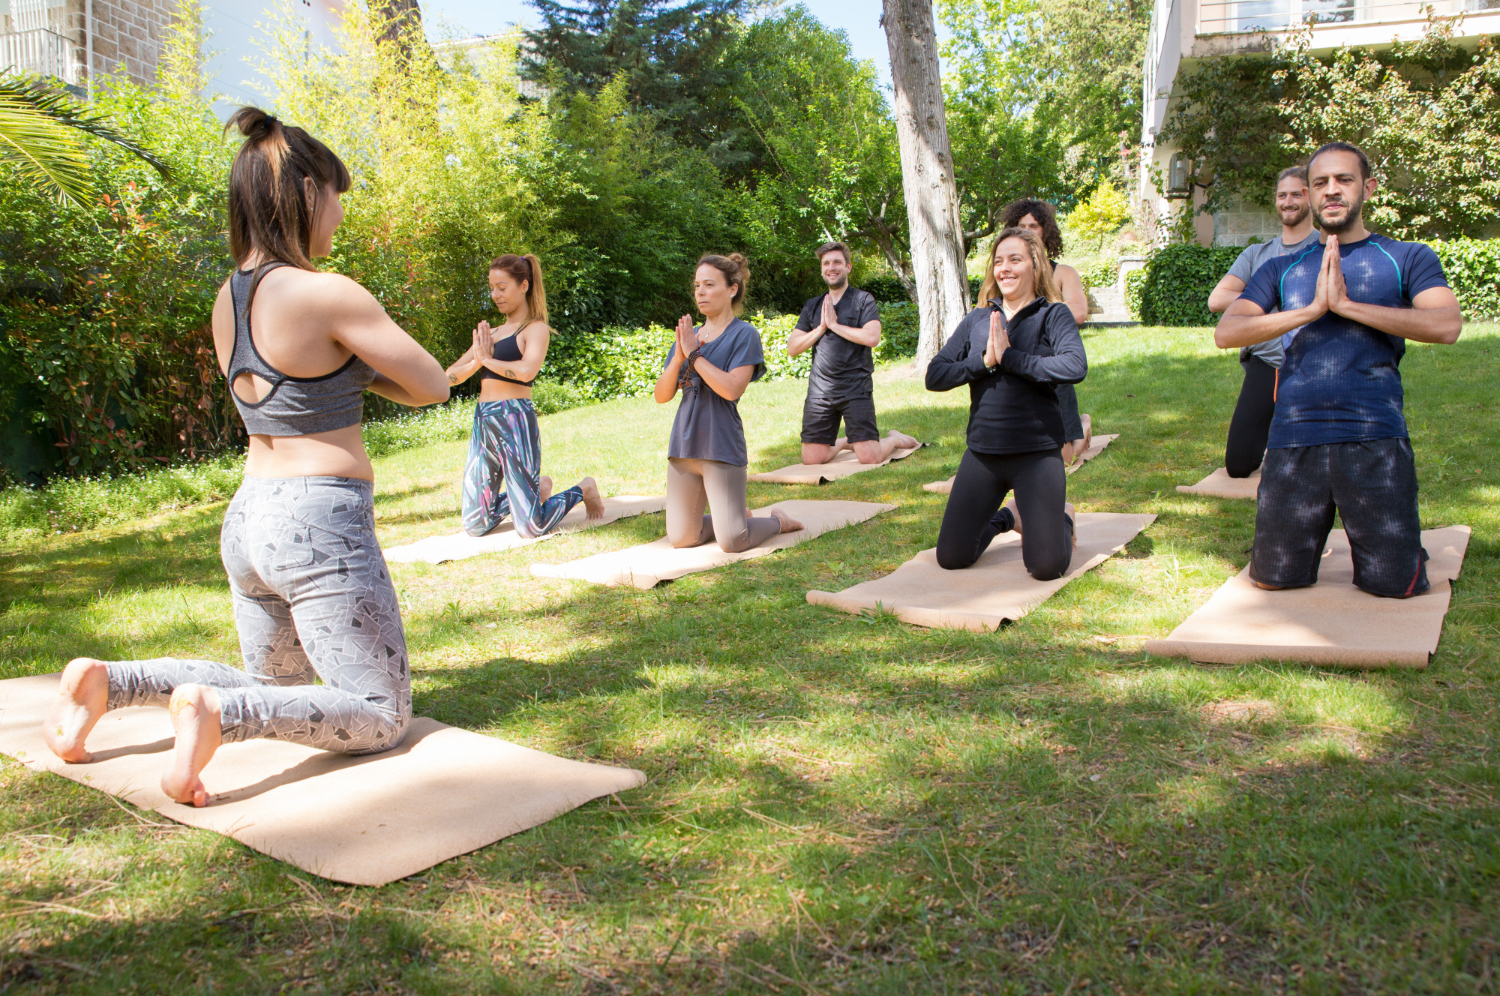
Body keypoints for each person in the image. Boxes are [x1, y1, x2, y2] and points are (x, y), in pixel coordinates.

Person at [41, 108, 453, 806]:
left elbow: (295, 382)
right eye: (336, 194)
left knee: (285, 689)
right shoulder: (327, 293)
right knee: (380, 714)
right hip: (321, 520)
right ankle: (221, 715)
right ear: (305, 193)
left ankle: (114, 682)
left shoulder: (226, 298)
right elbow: (432, 384)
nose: (341, 215)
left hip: (250, 519)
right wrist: (358, 365)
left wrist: (343, 366)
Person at [1216, 141, 1462, 598]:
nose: (1331, 191)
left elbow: (1446, 325)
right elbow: (1228, 332)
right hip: (1294, 440)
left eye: (1343, 180)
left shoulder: (1407, 256)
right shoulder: (1281, 268)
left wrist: (1348, 305)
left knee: (1396, 586)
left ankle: (1401, 544)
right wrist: (1311, 310)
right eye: (1320, 183)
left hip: (1373, 435)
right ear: (1309, 195)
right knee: (1273, 580)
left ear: (1366, 188)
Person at [926, 228, 1087, 580]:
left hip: (1037, 455)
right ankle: (1007, 518)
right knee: (952, 557)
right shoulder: (977, 319)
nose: (1005, 268)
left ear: (1035, 265)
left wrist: (1011, 358)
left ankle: (1064, 517)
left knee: (1045, 567)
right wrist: (983, 362)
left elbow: (1075, 366)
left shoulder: (1053, 315)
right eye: (999, 261)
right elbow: (935, 375)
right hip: (984, 454)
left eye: (1015, 259)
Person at [445, 254, 604, 538]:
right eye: (491, 288)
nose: (495, 294)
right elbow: (449, 376)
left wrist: (487, 361)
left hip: (514, 418)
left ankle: (584, 488)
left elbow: (527, 371)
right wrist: (477, 361)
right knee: (474, 524)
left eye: (502, 287)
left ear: (523, 285)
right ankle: (536, 489)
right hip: (484, 422)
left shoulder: (535, 329)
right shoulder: (489, 335)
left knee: (532, 528)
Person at [655, 254, 802, 551]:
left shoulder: (744, 334)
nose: (700, 292)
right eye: (697, 285)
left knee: (734, 541)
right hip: (684, 444)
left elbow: (732, 389)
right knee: (682, 538)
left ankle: (777, 521)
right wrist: (681, 356)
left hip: (719, 444)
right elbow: (662, 395)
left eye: (709, 285)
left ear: (732, 289)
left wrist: (694, 355)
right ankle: (731, 517)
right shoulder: (689, 337)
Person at [1206, 166, 1319, 478]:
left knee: (1308, 468)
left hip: (1314, 363)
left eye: (1297, 193)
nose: (1288, 201)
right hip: (1267, 363)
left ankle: (1283, 440)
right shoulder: (1259, 253)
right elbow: (1217, 299)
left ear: (1310, 198)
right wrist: (1265, 300)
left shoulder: (1325, 248)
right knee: (1238, 466)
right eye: (1282, 195)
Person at [785, 242, 918, 465]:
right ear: (821, 269)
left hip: (855, 386)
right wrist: (821, 328)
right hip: (821, 389)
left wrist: (835, 326)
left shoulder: (863, 300)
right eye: (826, 263)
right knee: (812, 459)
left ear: (848, 267)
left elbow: (872, 337)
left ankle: (894, 440)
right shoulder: (812, 305)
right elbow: (793, 348)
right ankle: (848, 441)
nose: (831, 267)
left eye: (837, 262)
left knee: (869, 457)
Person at [1001, 199, 1092, 465]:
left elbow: (1079, 312)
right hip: (1017, 363)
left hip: (1053, 365)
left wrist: (1037, 314)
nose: (1028, 231)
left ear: (1045, 231)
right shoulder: (1006, 275)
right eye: (1021, 226)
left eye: (1034, 226)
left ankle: (1082, 427)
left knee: (1063, 459)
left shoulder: (1062, 272)